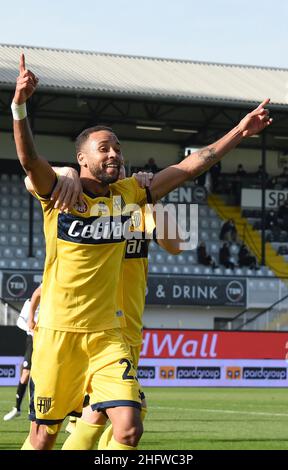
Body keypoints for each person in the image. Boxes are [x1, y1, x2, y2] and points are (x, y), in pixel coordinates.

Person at [12, 54, 271, 450]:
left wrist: (239, 130)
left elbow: (192, 166)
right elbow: (30, 161)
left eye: (117, 148)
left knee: (129, 428)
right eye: (104, 148)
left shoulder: (132, 195)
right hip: (57, 334)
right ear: (82, 158)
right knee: (43, 437)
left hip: (109, 335)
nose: (115, 153)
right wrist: (20, 106)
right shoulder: (61, 195)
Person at [60, 164, 183, 450]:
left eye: (121, 163)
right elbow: (33, 178)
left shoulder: (138, 207)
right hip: (96, 328)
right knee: (130, 415)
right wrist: (65, 172)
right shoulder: (83, 203)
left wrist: (152, 196)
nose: (117, 165)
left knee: (99, 414)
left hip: (128, 329)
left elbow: (176, 243)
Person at [3, 285, 41, 421]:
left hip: (48, 341)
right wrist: (31, 330)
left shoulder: (53, 303)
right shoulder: (29, 302)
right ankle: (17, 408)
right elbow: (20, 320)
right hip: (32, 340)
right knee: (25, 374)